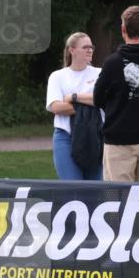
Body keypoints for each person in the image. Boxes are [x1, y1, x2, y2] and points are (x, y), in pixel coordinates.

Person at [93, 5, 139, 183]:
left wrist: (118, 106)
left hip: (119, 142)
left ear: (123, 29)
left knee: (118, 203)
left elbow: (97, 98)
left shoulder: (113, 62)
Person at [45, 32, 103, 180]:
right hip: (66, 137)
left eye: (91, 47)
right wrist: (90, 103)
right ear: (72, 50)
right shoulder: (58, 76)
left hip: (95, 136)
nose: (90, 50)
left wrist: (73, 98)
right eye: (85, 47)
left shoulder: (99, 74)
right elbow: (55, 107)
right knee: (72, 190)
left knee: (96, 191)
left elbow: (104, 100)